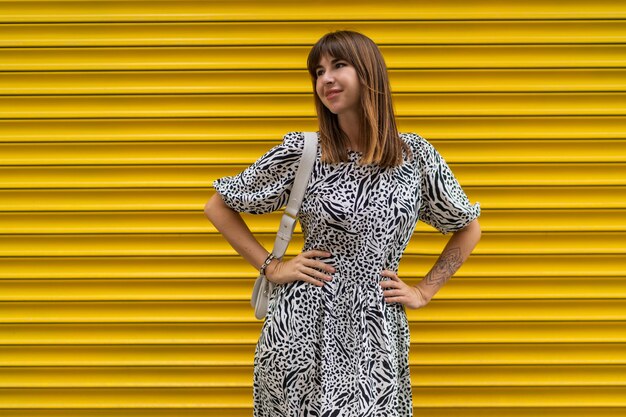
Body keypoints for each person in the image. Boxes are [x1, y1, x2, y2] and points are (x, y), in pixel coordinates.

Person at [205, 30, 481, 417]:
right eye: (318, 72)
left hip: (375, 331)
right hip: (301, 329)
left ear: (369, 72)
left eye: (338, 65)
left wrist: (424, 291)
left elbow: (467, 227)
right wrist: (272, 266)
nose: (326, 80)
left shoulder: (415, 156)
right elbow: (218, 205)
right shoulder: (305, 152)